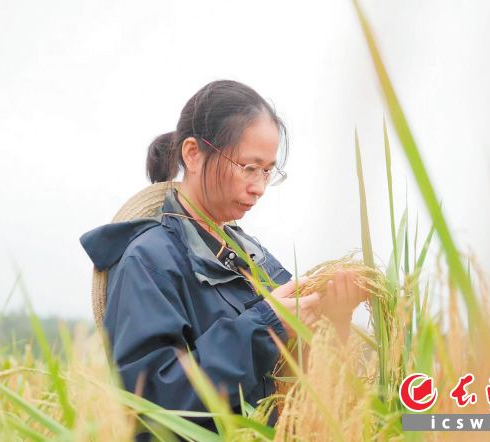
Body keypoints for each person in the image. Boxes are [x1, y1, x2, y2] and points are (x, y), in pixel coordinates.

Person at [80, 80, 366, 439]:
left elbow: (294, 384)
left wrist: (333, 322)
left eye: (267, 171)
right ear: (194, 154)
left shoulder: (254, 258)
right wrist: (266, 327)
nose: (259, 187)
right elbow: (152, 402)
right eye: (248, 167)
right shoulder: (148, 260)